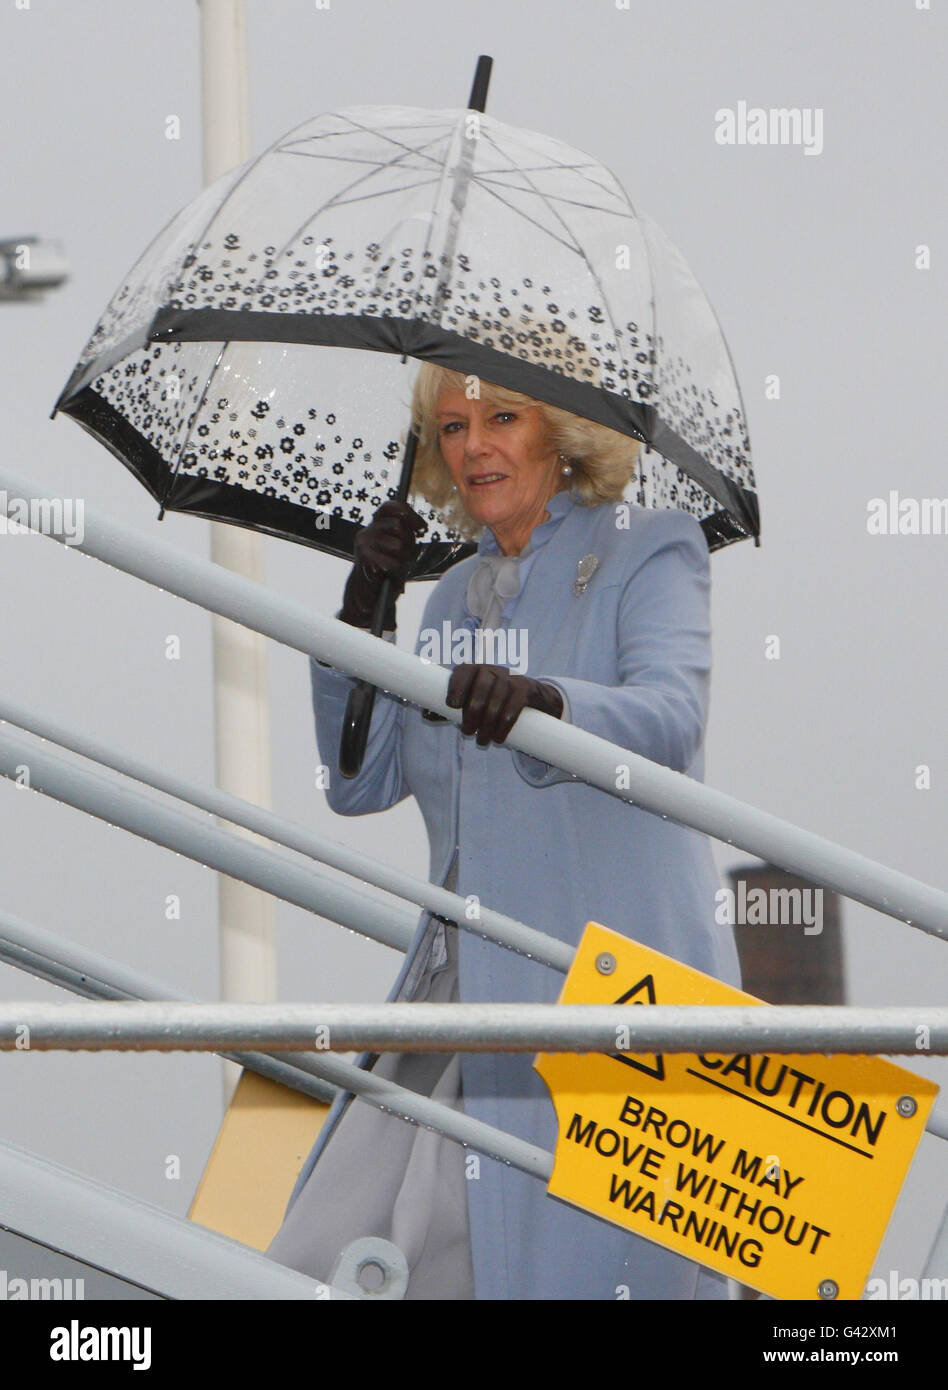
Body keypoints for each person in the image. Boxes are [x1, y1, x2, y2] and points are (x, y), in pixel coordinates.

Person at [265, 362, 741, 1300]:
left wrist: (544, 702)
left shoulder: (651, 547)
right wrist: (366, 613)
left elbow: (670, 718)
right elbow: (360, 781)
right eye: (450, 426)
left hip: (598, 986)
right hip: (456, 994)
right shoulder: (448, 600)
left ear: (559, 434)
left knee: (556, 1267)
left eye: (502, 417)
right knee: (325, 1252)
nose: (473, 444)